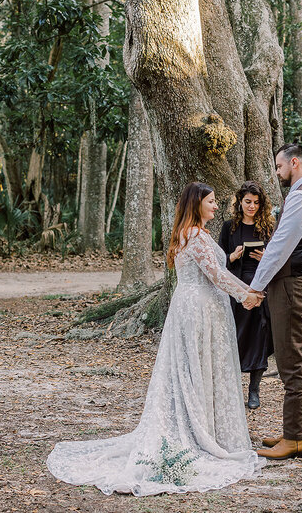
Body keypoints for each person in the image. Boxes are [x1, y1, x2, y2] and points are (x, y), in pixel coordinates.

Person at [47, 182, 265, 496]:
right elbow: (216, 276)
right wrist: (247, 294)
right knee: (196, 369)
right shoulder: (195, 235)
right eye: (212, 201)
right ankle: (197, 433)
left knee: (194, 371)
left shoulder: (188, 233)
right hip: (198, 310)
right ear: (197, 204)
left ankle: (204, 427)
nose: (216, 207)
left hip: (193, 307)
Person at [249, 143, 302, 461]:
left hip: (293, 285)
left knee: (290, 362)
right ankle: (300, 431)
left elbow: (280, 246)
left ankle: (294, 438)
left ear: (295, 162)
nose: (277, 172)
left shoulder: (301, 195)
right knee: (292, 358)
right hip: (295, 281)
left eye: (279, 167)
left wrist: (255, 287)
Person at [219, 181, 275, 409]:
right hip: (235, 288)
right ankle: (231, 389)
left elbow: (278, 260)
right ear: (239, 202)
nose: (252, 206)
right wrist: (232, 256)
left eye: (256, 203)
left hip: (260, 289)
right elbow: (217, 262)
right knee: (234, 337)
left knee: (258, 337)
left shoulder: (268, 228)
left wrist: (265, 259)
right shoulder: (228, 227)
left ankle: (254, 390)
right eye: (248, 202)